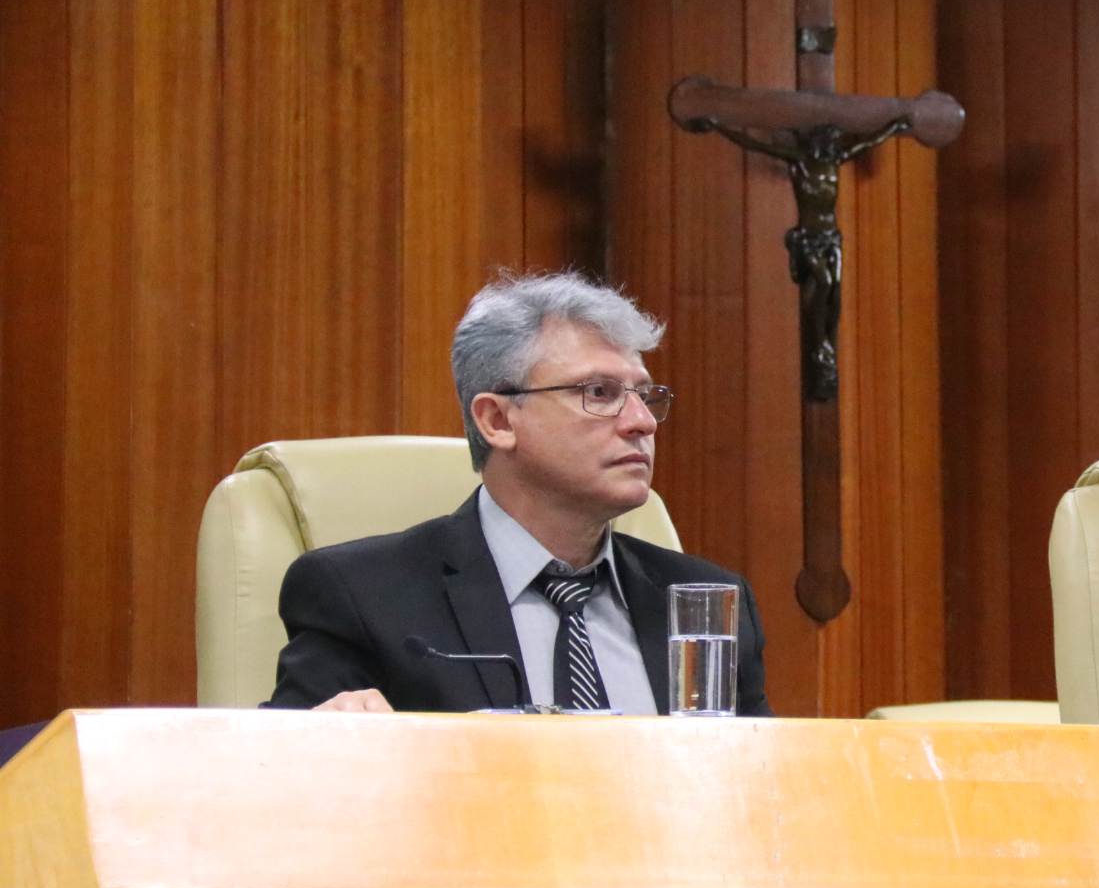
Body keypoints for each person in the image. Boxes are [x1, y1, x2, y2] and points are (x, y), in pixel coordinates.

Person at [266, 273, 770, 716]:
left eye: (644, 395)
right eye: (599, 393)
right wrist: (324, 736)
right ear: (498, 421)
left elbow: (762, 777)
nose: (641, 422)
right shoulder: (363, 596)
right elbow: (276, 771)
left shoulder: (707, 602)